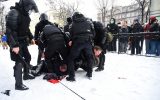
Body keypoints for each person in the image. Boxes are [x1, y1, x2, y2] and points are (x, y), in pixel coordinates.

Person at [5, 0, 38, 90]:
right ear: (25, 6)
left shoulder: (25, 15)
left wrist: (31, 37)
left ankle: (26, 75)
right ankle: (18, 84)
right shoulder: (14, 13)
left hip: (23, 41)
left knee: (28, 57)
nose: (30, 11)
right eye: (30, 9)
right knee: (19, 62)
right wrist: (14, 45)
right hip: (15, 42)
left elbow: (26, 29)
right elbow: (9, 31)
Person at [66, 12, 95, 81]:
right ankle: (89, 74)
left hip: (78, 42)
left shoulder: (73, 24)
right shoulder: (88, 22)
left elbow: (71, 34)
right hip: (88, 41)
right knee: (89, 57)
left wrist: (72, 40)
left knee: (70, 59)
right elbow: (93, 33)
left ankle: (72, 77)